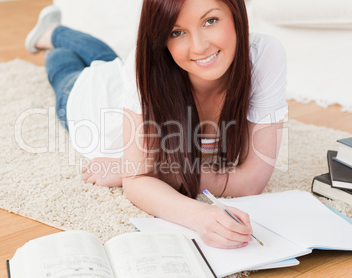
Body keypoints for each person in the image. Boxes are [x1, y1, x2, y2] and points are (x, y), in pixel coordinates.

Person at [26, 0, 287, 249]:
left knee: (109, 59)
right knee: (65, 69)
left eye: (211, 21)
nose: (199, 46)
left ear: (236, 13)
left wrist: (145, 169)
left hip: (129, 83)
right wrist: (199, 215)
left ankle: (55, 33)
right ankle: (52, 35)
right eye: (176, 32)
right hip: (93, 103)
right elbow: (138, 180)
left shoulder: (263, 55)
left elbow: (251, 183)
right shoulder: (143, 65)